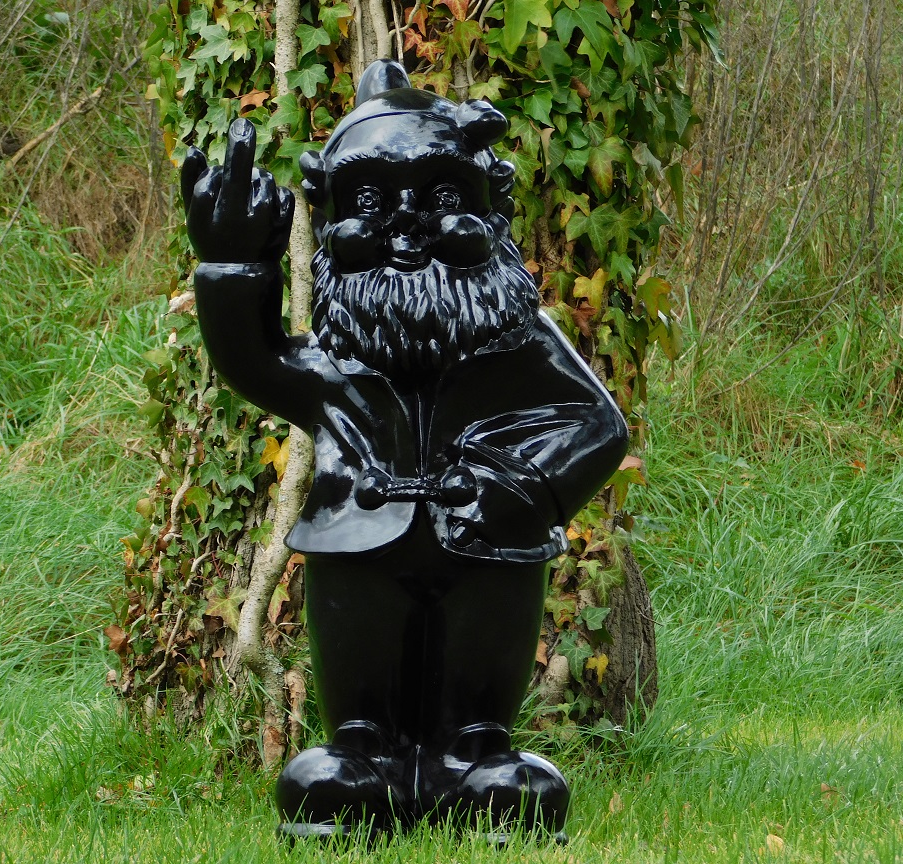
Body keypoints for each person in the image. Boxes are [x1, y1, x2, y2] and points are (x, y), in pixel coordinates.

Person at [182, 59, 628, 841]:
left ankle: (474, 757)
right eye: (369, 203)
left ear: (490, 206)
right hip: (358, 554)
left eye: (445, 199)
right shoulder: (336, 355)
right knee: (342, 750)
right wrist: (231, 267)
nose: (406, 224)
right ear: (329, 216)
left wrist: (516, 489)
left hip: (488, 555)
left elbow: (598, 426)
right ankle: (365, 757)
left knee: (493, 749)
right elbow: (255, 360)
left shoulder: (514, 336)